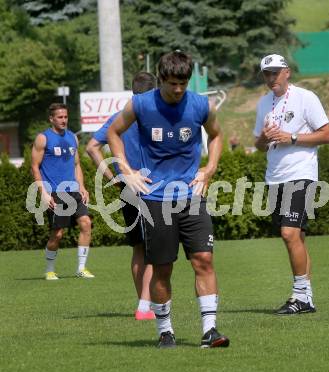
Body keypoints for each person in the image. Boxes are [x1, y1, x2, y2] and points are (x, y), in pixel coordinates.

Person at [108, 51, 230, 349]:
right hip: (155, 197)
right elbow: (113, 133)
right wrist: (127, 171)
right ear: (161, 79)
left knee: (204, 259)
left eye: (183, 83)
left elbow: (216, 136)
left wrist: (209, 170)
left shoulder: (201, 104)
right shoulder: (141, 103)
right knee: (162, 268)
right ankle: (165, 331)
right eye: (173, 83)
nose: (178, 90)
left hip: (191, 194)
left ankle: (210, 330)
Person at [253, 54, 329, 315]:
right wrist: (264, 139)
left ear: (287, 72)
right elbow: (257, 144)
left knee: (288, 233)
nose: (271, 78)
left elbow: (327, 134)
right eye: (267, 73)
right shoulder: (264, 103)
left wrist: (293, 137)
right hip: (274, 176)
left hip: (300, 173)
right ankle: (306, 297)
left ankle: (300, 296)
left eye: (275, 72)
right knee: (296, 235)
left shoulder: (306, 97)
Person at [86, 71, 156, 321]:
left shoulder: (119, 118)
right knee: (153, 250)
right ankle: (146, 306)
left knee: (138, 248)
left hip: (127, 187)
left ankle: (143, 304)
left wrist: (114, 177)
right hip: (152, 187)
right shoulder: (155, 116)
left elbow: (91, 147)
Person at [31, 103, 94, 280]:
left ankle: (81, 268)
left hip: (73, 191)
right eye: (60, 117)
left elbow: (76, 165)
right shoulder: (43, 138)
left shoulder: (73, 137)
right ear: (51, 118)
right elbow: (34, 167)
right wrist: (43, 192)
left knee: (86, 224)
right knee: (58, 234)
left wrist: (81, 186)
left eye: (65, 117)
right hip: (55, 193)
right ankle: (49, 269)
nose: (64, 120)